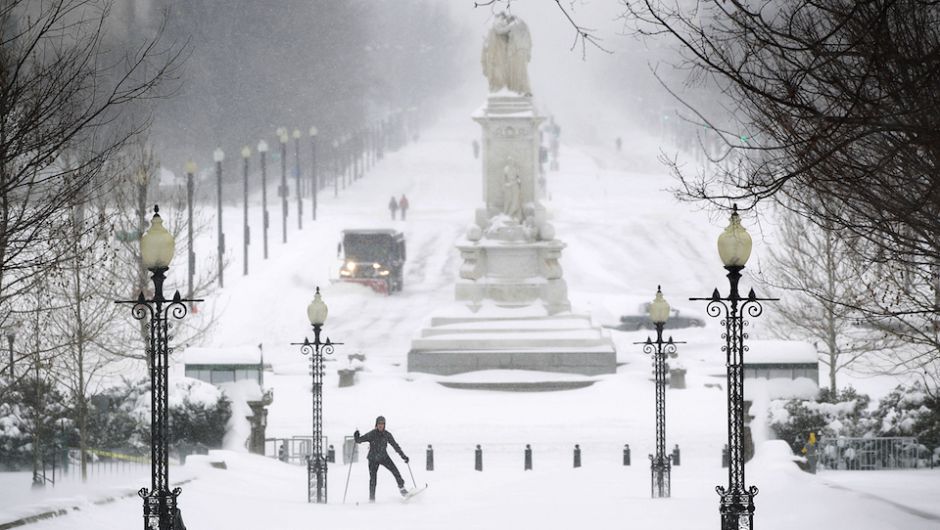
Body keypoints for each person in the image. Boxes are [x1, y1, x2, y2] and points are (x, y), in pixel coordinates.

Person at [354, 416, 410, 501]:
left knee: (395, 472)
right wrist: (356, 436)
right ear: (376, 424)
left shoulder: (387, 435)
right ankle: (372, 499)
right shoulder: (372, 434)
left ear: (384, 425)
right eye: (379, 424)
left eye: (382, 424)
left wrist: (403, 456)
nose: (380, 425)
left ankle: (402, 490)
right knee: (373, 480)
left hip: (384, 457)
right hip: (373, 458)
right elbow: (359, 440)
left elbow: (395, 446)